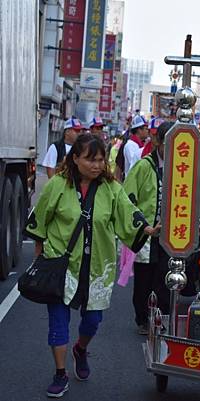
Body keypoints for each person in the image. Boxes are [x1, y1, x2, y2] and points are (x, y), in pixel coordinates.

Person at [24, 134, 159, 398]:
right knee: (58, 321)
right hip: (61, 264)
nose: (97, 165)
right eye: (90, 159)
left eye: (100, 160)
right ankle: (60, 373)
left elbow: (128, 212)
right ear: (75, 159)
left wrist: (147, 228)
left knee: (93, 320)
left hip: (97, 265)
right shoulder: (57, 186)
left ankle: (81, 349)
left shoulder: (111, 189)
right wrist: (39, 258)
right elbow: (39, 222)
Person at [123, 120, 172, 335]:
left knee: (165, 278)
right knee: (144, 280)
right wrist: (143, 226)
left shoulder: (180, 168)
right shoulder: (144, 166)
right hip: (148, 234)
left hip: (171, 235)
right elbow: (126, 199)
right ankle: (143, 319)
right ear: (158, 141)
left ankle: (161, 317)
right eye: (167, 143)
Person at [115, 115, 148, 181]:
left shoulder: (139, 144)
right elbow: (135, 165)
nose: (148, 131)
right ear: (139, 130)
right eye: (146, 129)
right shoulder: (130, 145)